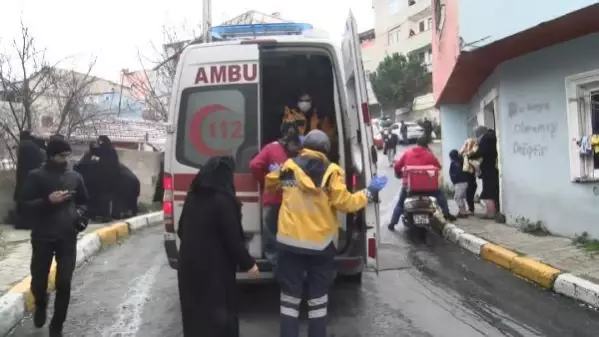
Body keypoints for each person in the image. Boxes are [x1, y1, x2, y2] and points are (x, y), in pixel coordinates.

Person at [265, 129, 388, 337]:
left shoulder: (289, 167)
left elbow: (271, 185)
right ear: (325, 149)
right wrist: (370, 192)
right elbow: (346, 203)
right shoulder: (332, 172)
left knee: (289, 301)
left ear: (305, 147)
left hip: (289, 245)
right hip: (320, 246)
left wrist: (275, 174)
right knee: (318, 301)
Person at [177, 156, 259, 337]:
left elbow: (180, 229)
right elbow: (233, 240)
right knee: (218, 321)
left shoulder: (192, 196)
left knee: (195, 320)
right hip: (214, 273)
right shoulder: (222, 201)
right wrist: (249, 264)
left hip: (188, 269)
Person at [20, 137, 88, 337]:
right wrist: (47, 201)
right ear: (51, 156)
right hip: (43, 236)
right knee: (39, 281)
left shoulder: (75, 177)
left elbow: (84, 202)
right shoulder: (36, 177)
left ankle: (57, 325)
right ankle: (40, 304)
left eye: (68, 155)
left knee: (64, 282)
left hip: (67, 236)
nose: (65, 159)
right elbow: (23, 206)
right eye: (61, 156)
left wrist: (81, 218)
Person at [249, 127, 302, 267]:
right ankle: (282, 262)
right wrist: (266, 182)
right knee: (281, 233)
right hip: (286, 201)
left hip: (279, 200)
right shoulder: (275, 149)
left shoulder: (273, 149)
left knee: (273, 233)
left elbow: (255, 165)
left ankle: (277, 262)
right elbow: (254, 165)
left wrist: (265, 181)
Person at [387, 136, 456, 231]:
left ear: (417, 144)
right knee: (440, 195)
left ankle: (392, 223)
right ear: (426, 145)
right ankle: (446, 214)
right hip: (428, 188)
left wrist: (400, 173)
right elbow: (438, 167)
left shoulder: (407, 153)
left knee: (400, 204)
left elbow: (397, 167)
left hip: (410, 187)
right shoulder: (429, 155)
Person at [14, 131, 46, 229]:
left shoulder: (23, 146)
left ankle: (23, 223)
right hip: (35, 178)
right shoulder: (35, 148)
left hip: (24, 179)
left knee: (23, 201)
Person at [468, 126, 499, 219]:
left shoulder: (486, 139)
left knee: (488, 193)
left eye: (476, 135)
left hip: (489, 169)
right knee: (493, 192)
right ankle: (494, 212)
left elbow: (480, 152)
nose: (477, 138)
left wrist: (469, 155)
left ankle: (491, 214)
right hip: (493, 168)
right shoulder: (492, 137)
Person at [449, 149, 473, 217]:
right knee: (459, 197)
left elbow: (454, 174)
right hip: (463, 182)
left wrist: (454, 181)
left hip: (460, 182)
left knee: (457, 197)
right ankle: (463, 211)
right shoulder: (461, 162)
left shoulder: (455, 163)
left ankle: (463, 212)